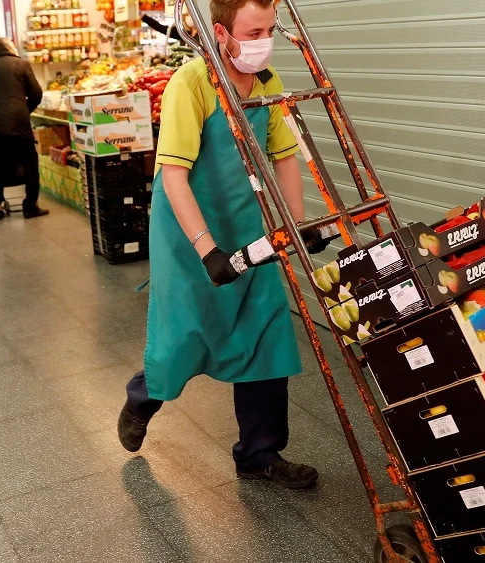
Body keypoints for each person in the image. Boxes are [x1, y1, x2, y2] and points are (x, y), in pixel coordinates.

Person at [117, 0, 330, 489]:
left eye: (269, 29)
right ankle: (142, 397)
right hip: (187, 233)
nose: (264, 40)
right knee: (186, 336)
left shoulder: (268, 83)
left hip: (246, 229)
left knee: (265, 332)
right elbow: (173, 175)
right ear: (221, 32)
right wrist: (206, 249)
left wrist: (297, 227)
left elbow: (284, 157)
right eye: (253, 31)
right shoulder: (191, 84)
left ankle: (259, 453)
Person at [0, 37, 48, 221]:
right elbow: (36, 93)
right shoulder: (21, 65)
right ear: (10, 48)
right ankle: (30, 205)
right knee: (29, 161)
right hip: (18, 123)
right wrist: (24, 111)